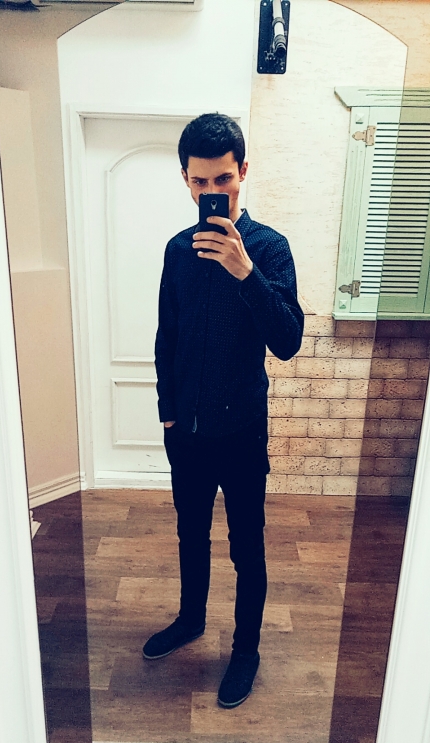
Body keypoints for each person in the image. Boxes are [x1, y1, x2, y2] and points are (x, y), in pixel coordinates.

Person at [142, 113, 303, 708]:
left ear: (243, 171)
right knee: (190, 534)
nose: (214, 192)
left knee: (246, 547)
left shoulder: (270, 248)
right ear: (186, 180)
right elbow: (167, 337)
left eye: (224, 179)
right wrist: (167, 413)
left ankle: (246, 651)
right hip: (186, 430)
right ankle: (190, 620)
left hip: (241, 432)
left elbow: (288, 341)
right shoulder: (177, 251)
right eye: (200, 181)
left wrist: (246, 273)